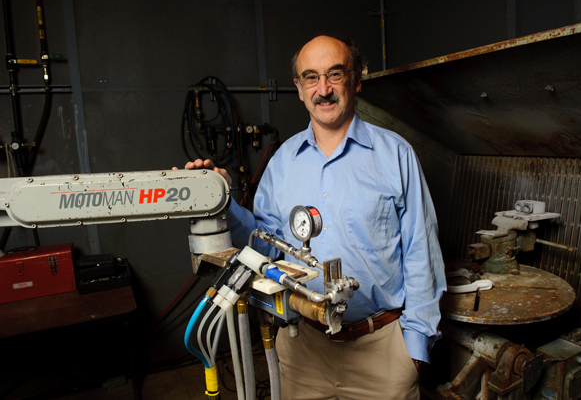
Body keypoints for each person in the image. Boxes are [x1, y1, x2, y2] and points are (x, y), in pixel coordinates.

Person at [182, 35, 446, 399]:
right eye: (311, 77)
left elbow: (422, 254)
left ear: (355, 81)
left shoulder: (396, 155)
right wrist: (221, 200)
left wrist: (414, 350)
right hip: (302, 347)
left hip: (381, 349)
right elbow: (264, 247)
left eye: (334, 74)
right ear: (299, 89)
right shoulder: (282, 163)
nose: (324, 89)